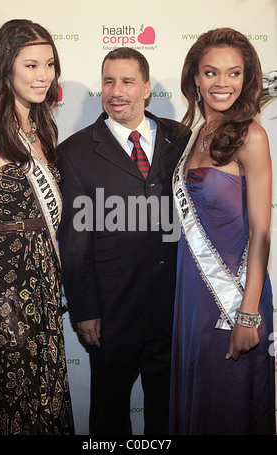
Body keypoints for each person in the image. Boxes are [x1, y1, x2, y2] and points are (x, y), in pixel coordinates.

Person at [57, 47, 189, 435]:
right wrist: (84, 309)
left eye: (127, 81)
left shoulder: (181, 137)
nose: (116, 91)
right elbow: (75, 241)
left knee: (167, 414)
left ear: (146, 88)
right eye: (108, 81)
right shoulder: (75, 151)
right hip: (112, 313)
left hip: (174, 305)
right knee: (109, 417)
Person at [170, 28, 275, 435]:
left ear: (247, 79)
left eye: (234, 74)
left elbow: (262, 231)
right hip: (193, 293)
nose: (222, 84)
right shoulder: (194, 135)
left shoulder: (252, 136)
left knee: (228, 402)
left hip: (234, 295)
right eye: (211, 73)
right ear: (195, 77)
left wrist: (247, 314)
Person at [0, 19, 74, 435]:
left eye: (49, 64)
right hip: (1, 286)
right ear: (6, 69)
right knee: (12, 396)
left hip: (44, 283)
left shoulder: (42, 127)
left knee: (44, 393)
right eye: (31, 65)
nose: (43, 75)